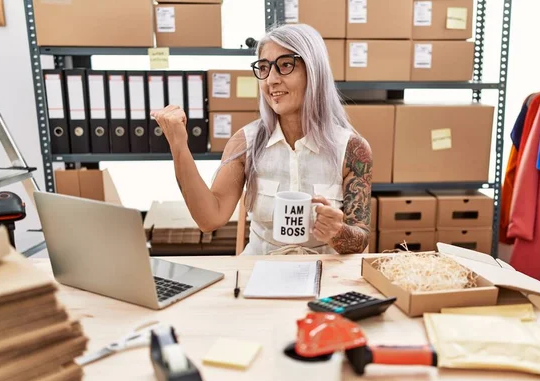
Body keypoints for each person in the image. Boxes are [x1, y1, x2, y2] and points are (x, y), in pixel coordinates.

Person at [151, 23, 373, 255]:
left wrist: (337, 232)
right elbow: (210, 219)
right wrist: (179, 145)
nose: (271, 80)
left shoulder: (352, 149)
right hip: (260, 273)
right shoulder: (245, 143)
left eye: (286, 65)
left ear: (314, 71)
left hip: (326, 277)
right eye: (264, 68)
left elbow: (360, 240)